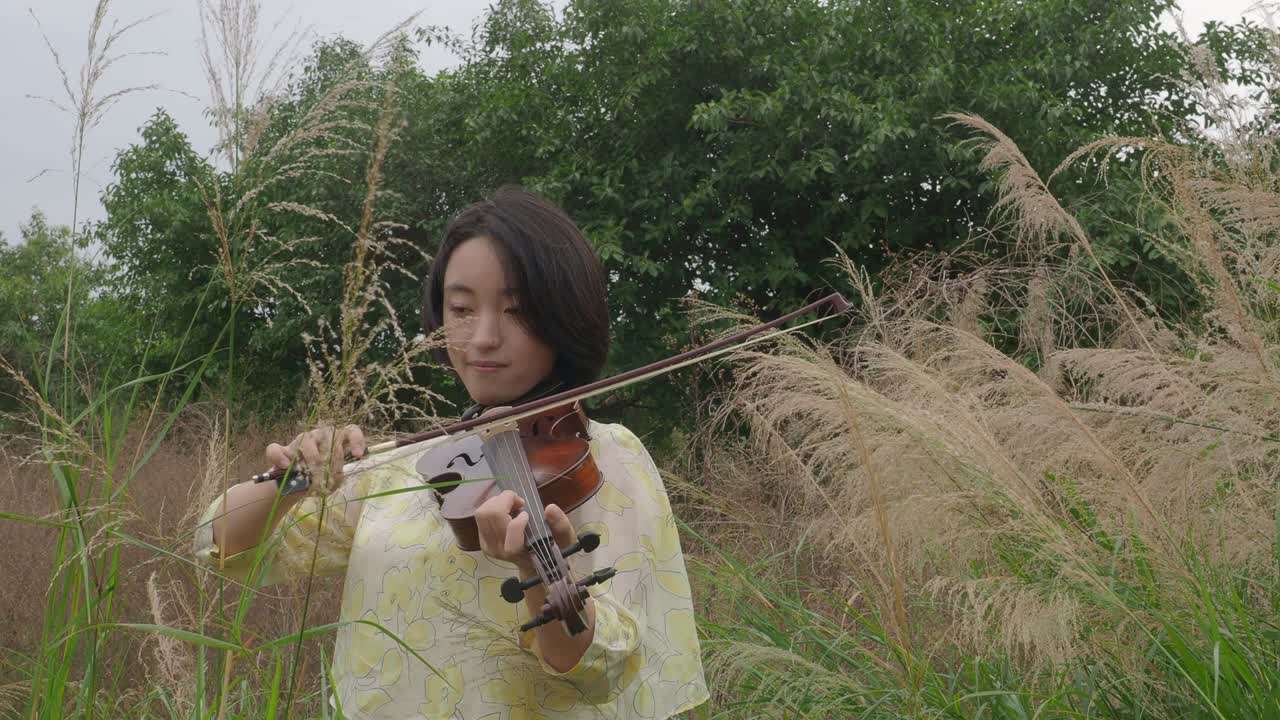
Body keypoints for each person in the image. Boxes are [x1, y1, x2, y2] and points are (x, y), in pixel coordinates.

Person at [193, 187, 709, 719]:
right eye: (461, 308)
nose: (482, 337)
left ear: (565, 316)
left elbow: (605, 673)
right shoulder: (406, 466)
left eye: (517, 310)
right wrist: (295, 479)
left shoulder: (605, 456)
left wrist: (534, 565)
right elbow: (224, 546)